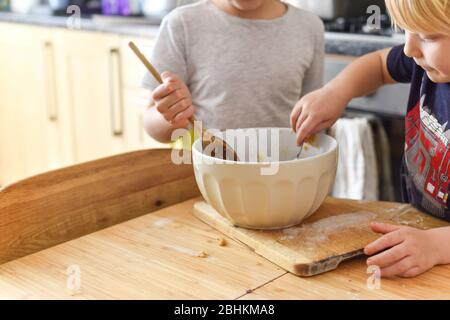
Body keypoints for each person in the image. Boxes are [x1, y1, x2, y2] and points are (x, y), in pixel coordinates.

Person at [290, 0, 450, 278]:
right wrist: (336, 91)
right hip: (421, 226)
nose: (410, 50)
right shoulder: (422, 61)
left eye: (426, 36)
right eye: (406, 31)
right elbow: (378, 64)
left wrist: (437, 246)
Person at [142, 0, 324, 147]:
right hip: (207, 175)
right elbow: (152, 123)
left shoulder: (310, 27)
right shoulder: (182, 23)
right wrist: (171, 116)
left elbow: (312, 120)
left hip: (282, 174)